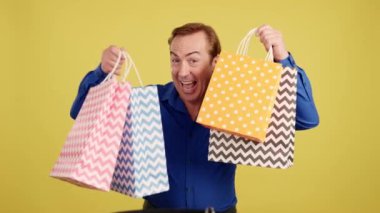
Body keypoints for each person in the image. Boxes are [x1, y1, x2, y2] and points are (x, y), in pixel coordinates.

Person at [70, 23, 319, 213]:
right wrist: (101, 72)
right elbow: (83, 115)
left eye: (193, 60)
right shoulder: (149, 102)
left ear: (215, 63)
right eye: (175, 60)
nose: (183, 71)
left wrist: (282, 57)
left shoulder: (237, 103)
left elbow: (306, 119)